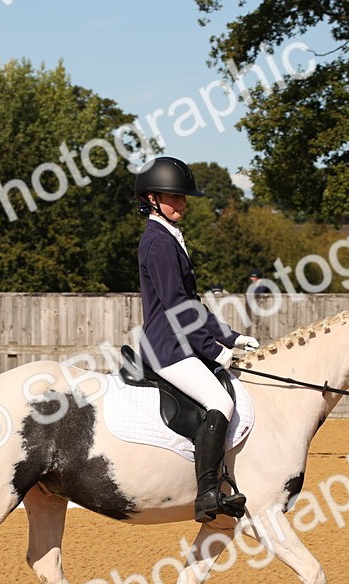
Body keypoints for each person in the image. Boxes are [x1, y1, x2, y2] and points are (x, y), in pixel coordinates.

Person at [135, 156, 260, 523]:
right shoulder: (158, 243)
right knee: (220, 401)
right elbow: (177, 307)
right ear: (153, 198)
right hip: (167, 347)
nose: (182, 202)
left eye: (183, 196)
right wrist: (215, 351)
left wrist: (232, 338)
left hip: (178, 342)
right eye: (175, 196)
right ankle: (207, 494)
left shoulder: (169, 238)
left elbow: (193, 305)